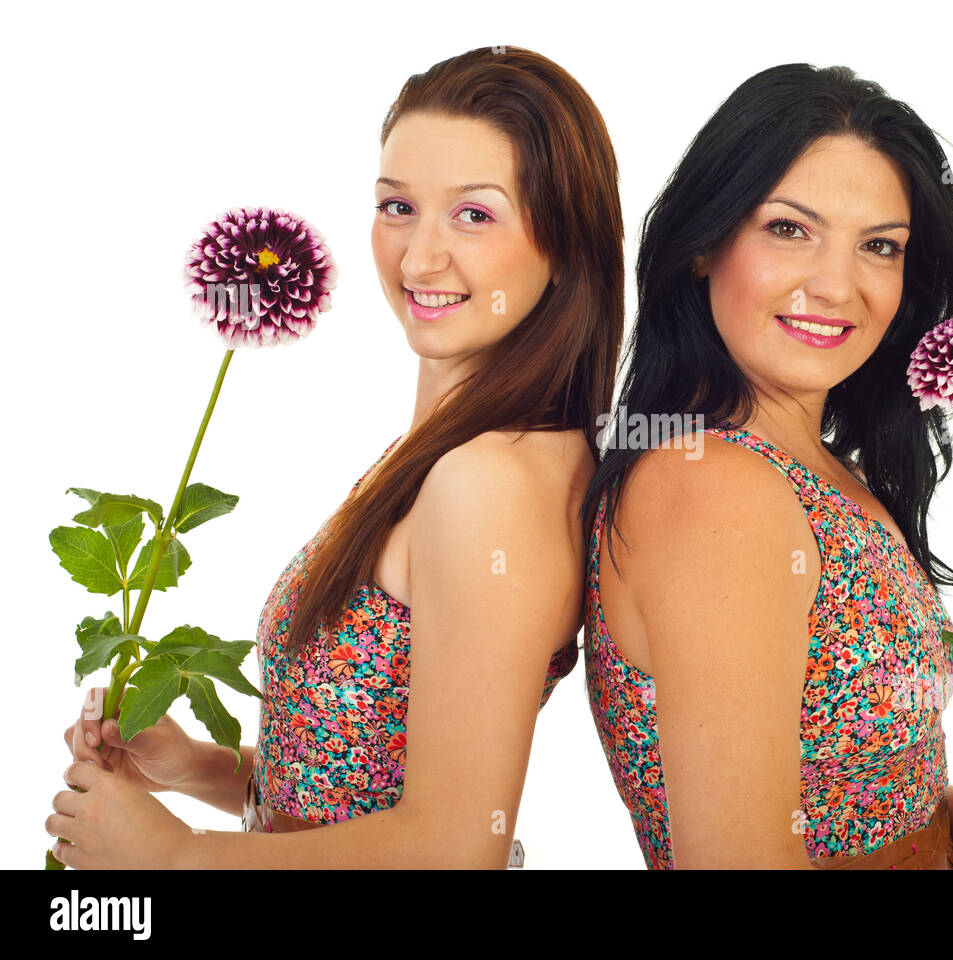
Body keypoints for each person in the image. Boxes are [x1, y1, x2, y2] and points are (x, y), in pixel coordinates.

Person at [50, 45, 623, 869]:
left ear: (565, 242)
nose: (420, 257)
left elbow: (453, 847)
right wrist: (203, 771)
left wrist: (177, 858)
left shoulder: (489, 481)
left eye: (474, 215)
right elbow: (357, 788)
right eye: (398, 206)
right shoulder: (455, 453)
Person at [580, 63, 953, 869]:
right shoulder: (715, 489)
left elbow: (816, 789)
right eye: (788, 229)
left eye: (880, 246)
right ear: (705, 243)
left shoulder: (817, 470)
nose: (836, 285)